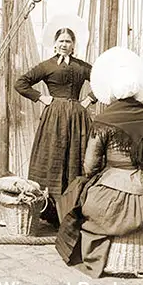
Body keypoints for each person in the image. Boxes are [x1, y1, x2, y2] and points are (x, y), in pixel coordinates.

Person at [55, 46, 143, 278]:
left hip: (115, 192)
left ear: (112, 90)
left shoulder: (103, 120)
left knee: (76, 193)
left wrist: (94, 178)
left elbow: (89, 165)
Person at [14, 26, 96, 223]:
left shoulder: (82, 67)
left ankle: (74, 211)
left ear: (73, 45)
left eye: (68, 41)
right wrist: (41, 98)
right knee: (53, 157)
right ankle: (48, 211)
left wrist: (89, 100)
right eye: (61, 41)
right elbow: (21, 83)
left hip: (78, 119)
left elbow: (105, 81)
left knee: (76, 159)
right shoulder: (46, 66)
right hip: (54, 119)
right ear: (55, 44)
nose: (64, 45)